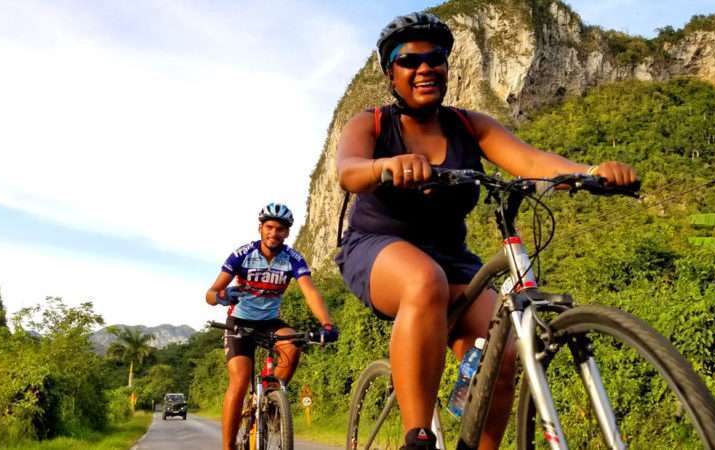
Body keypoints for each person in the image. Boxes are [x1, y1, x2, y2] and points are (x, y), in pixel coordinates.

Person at [334, 12, 638, 450]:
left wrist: (590, 172)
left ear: (446, 66)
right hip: (377, 246)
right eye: (409, 60)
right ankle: (417, 437)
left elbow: (532, 162)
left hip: (453, 260)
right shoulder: (374, 123)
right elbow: (349, 170)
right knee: (423, 280)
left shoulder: (468, 125)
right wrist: (385, 166)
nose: (424, 68)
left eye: (435, 57)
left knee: (506, 350)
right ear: (390, 73)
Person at [205, 202, 338, 450]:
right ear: (260, 228)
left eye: (280, 229)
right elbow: (210, 294)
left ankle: (270, 400)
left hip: (270, 323)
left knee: (292, 346)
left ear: (287, 232)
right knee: (240, 382)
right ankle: (228, 447)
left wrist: (326, 323)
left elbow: (309, 291)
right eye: (269, 227)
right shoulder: (242, 254)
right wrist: (223, 296)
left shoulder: (293, 258)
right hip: (240, 323)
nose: (273, 233)